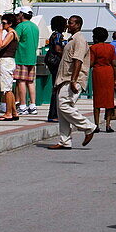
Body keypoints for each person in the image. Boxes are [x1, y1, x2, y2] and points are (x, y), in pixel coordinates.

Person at [47, 15, 96, 149]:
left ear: (78, 25)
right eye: (68, 23)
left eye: (72, 23)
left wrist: (74, 80)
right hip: (64, 78)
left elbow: (78, 61)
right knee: (61, 109)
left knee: (64, 105)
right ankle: (65, 140)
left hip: (72, 79)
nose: (68, 25)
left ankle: (88, 127)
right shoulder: (71, 40)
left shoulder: (79, 39)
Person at [88, 27, 116, 132]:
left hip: (98, 73)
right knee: (109, 99)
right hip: (109, 73)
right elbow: (114, 64)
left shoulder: (93, 48)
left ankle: (96, 125)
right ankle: (108, 125)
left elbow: (91, 63)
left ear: (95, 37)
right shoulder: (111, 48)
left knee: (97, 99)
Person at [14, 6, 40, 115]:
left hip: (21, 57)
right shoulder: (35, 27)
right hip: (32, 57)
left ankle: (23, 105)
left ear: (22, 14)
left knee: (21, 81)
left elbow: (15, 39)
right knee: (30, 82)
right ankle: (33, 105)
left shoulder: (20, 26)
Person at [0, 13, 20, 120]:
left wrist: (0, 33)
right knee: (8, 87)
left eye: (4, 23)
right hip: (8, 61)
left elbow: (1, 45)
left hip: (6, 61)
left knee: (6, 89)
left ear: (10, 23)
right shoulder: (12, 33)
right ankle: (14, 112)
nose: (2, 25)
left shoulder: (10, 33)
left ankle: (8, 112)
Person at [44, 15, 68, 122]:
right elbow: (58, 49)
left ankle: (54, 114)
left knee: (56, 88)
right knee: (57, 88)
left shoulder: (54, 35)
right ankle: (53, 114)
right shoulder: (58, 36)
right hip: (57, 64)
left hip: (52, 64)